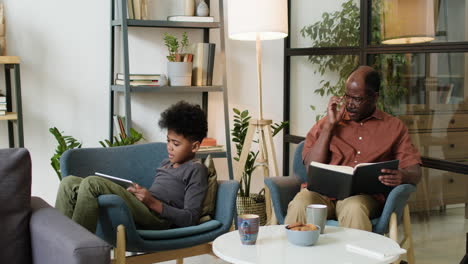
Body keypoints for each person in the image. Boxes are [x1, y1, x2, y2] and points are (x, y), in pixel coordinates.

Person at [285, 66, 422, 231]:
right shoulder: (329, 121)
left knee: (353, 208)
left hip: (362, 198)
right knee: (300, 202)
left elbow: (415, 171)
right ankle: (292, 256)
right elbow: (310, 167)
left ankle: (354, 257)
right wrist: (329, 127)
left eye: (357, 99)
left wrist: (403, 175)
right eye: (347, 96)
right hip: (322, 195)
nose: (349, 104)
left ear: (374, 97)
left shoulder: (394, 127)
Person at [55, 101, 208, 233]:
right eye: (168, 141)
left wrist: (151, 202)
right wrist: (140, 193)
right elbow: (159, 193)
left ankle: (78, 252)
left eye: (175, 144)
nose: (169, 147)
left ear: (194, 147)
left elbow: (190, 218)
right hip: (145, 208)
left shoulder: (195, 170)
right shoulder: (166, 164)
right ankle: (61, 247)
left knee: (91, 183)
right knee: (69, 183)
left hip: (159, 219)